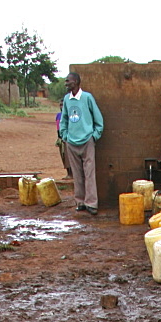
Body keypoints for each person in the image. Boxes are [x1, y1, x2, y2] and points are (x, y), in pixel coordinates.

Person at [59, 71, 103, 215]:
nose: (66, 83)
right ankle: (80, 202)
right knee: (77, 174)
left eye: (68, 81)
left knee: (89, 173)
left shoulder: (87, 98)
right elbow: (64, 119)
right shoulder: (67, 99)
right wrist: (64, 135)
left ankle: (92, 204)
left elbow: (98, 119)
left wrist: (94, 136)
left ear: (76, 82)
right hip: (71, 141)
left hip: (87, 140)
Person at [55, 98, 71, 176]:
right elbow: (58, 127)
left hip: (68, 138)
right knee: (63, 156)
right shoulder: (58, 115)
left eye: (63, 105)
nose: (61, 107)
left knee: (69, 156)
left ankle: (70, 174)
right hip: (61, 138)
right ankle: (68, 173)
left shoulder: (69, 114)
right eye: (60, 105)